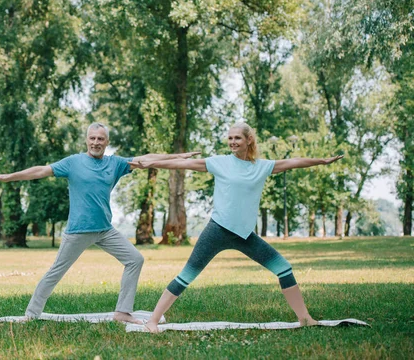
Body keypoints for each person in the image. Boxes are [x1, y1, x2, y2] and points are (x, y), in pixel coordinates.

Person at [128, 122, 343, 332]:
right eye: (230, 138)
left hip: (244, 235)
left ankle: (305, 319)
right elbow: (182, 165)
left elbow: (293, 162)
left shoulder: (262, 167)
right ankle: (153, 321)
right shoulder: (220, 162)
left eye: (237, 138)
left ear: (249, 140)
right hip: (217, 230)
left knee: (283, 268)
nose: (232, 142)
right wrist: (153, 163)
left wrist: (321, 161)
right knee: (186, 275)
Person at [0, 122, 199, 324]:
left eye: (101, 139)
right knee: (55, 272)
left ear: (107, 142)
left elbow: (146, 159)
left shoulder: (115, 163)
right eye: (92, 138)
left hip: (105, 230)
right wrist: (8, 178)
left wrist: (178, 156)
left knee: (135, 259)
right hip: (78, 231)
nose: (96, 142)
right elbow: (40, 170)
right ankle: (31, 314)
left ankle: (123, 312)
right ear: (87, 140)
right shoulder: (73, 162)